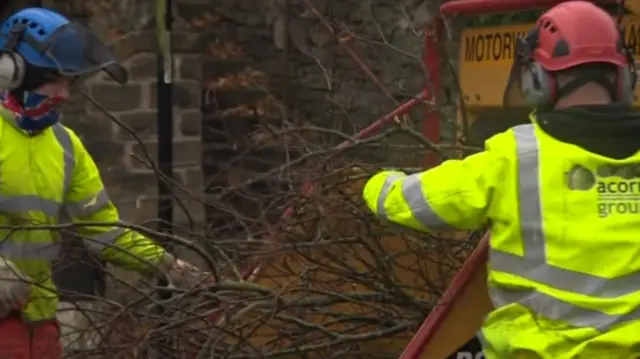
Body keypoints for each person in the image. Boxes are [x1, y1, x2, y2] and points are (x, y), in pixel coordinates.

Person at [363, 1, 640, 358]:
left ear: (537, 79)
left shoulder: (516, 157)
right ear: (625, 78)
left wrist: (372, 183)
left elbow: (411, 202)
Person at [0, 7, 198, 359]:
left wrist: (168, 266)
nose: (64, 93)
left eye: (71, 82)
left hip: (39, 323)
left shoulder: (65, 145)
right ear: (13, 72)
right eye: (55, 79)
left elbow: (103, 231)